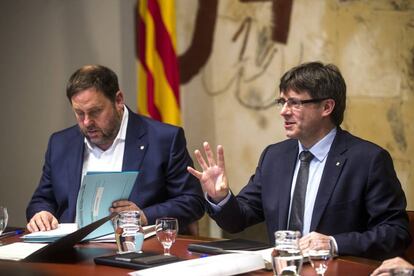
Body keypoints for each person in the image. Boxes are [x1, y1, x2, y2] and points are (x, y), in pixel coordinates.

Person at [188, 61, 411, 260]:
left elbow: (396, 233)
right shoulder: (274, 157)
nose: (284, 112)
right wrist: (221, 197)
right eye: (282, 102)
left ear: (327, 107)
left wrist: (333, 244)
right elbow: (238, 221)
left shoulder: (368, 160)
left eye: (295, 103)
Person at [26, 65, 205, 233]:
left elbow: (192, 202)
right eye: (79, 113)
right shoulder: (61, 144)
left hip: (139, 251)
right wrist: (41, 214)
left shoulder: (163, 139)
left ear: (118, 100)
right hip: (71, 253)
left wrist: (143, 216)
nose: (87, 122)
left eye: (95, 111)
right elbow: (42, 200)